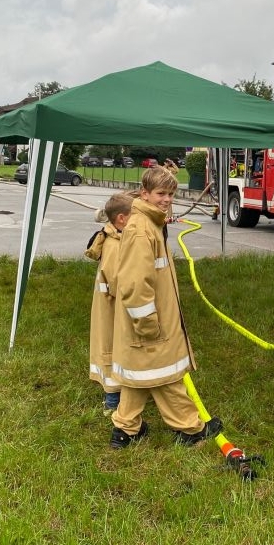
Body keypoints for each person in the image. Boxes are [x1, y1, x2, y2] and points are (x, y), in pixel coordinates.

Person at [109, 167, 222, 449]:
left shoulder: (149, 224)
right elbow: (135, 283)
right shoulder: (140, 229)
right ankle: (190, 429)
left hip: (151, 317)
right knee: (166, 374)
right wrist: (146, 321)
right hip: (148, 320)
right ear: (144, 193)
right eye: (160, 193)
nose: (166, 199)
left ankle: (125, 430)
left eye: (170, 194)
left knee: (142, 374)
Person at [84, 192, 134, 415]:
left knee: (114, 351)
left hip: (114, 310)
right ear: (122, 219)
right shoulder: (114, 245)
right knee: (111, 353)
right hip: (113, 311)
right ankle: (113, 403)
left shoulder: (116, 238)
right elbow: (118, 282)